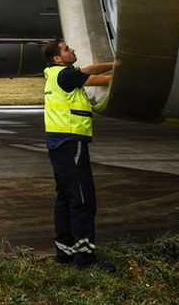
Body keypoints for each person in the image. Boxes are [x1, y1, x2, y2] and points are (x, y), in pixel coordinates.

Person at [41, 39, 113, 270]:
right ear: (57, 59)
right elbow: (103, 80)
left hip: (58, 145)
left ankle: (65, 253)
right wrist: (132, 76)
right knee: (83, 200)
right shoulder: (66, 76)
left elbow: (90, 69)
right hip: (71, 143)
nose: (72, 50)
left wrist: (117, 63)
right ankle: (85, 260)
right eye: (66, 49)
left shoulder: (57, 74)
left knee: (65, 198)